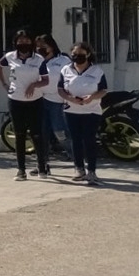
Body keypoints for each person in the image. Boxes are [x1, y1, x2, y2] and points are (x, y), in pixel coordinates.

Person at [0, 30, 49, 180]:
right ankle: (21, 170)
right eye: (20, 41)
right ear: (15, 42)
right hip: (16, 100)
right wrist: (5, 85)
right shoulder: (10, 57)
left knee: (37, 135)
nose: (23, 44)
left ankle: (41, 167)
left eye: (27, 41)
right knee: (19, 135)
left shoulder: (38, 59)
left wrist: (34, 84)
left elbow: (46, 80)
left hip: (35, 101)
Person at [58, 41, 108, 185]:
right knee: (75, 139)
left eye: (80, 54)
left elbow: (104, 90)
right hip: (71, 110)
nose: (77, 57)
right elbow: (60, 89)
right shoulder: (65, 70)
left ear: (88, 54)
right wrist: (70, 98)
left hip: (91, 111)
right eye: (74, 54)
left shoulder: (97, 71)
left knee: (89, 139)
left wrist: (91, 97)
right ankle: (79, 168)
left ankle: (92, 171)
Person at [34, 34, 72, 159]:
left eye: (44, 46)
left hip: (58, 101)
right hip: (40, 101)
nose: (40, 49)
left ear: (51, 46)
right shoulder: (36, 61)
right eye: (38, 47)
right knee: (42, 133)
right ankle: (43, 163)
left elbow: (70, 79)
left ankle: (75, 155)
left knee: (59, 132)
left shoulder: (63, 60)